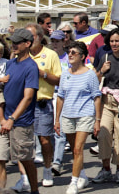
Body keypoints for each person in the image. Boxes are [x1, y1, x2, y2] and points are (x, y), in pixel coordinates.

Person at [0, 28, 39, 194]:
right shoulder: (10, 64)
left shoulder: (31, 67)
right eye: (12, 42)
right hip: (3, 118)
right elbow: (3, 88)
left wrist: (12, 118)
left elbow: (28, 97)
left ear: (27, 44)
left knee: (25, 159)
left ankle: (34, 190)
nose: (14, 45)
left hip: (21, 122)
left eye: (17, 43)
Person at [55, 41, 101, 194]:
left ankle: (73, 182)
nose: (70, 55)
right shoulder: (65, 74)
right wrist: (57, 119)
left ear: (82, 56)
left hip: (85, 115)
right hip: (68, 115)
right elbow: (60, 97)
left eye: (74, 53)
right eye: (69, 52)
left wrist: (97, 120)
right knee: (75, 150)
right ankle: (82, 175)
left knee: (77, 149)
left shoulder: (90, 75)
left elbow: (96, 97)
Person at [25, 23, 62, 188]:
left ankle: (48, 169)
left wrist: (43, 74)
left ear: (39, 37)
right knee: (23, 142)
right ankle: (25, 177)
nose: (28, 40)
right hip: (24, 103)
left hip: (43, 102)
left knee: (45, 140)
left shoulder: (51, 54)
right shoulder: (21, 55)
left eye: (31, 36)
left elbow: (59, 80)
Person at [92, 27, 119, 184]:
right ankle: (106, 169)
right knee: (104, 134)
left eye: (117, 41)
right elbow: (94, 78)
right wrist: (102, 70)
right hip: (106, 101)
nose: (114, 44)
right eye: (112, 41)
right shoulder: (105, 57)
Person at [49, 30, 71, 176]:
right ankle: (46, 155)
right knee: (46, 130)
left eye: (57, 41)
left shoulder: (68, 58)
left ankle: (57, 162)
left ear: (64, 42)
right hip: (47, 95)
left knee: (60, 131)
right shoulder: (48, 57)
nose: (55, 44)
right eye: (53, 41)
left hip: (62, 96)